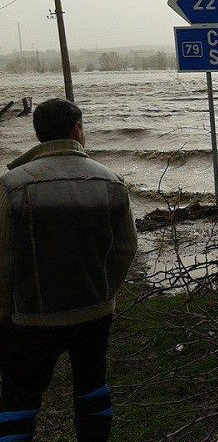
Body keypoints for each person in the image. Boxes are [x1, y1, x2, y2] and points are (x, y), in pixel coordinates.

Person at [0, 98, 138, 442]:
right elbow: (125, 249)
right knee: (92, 386)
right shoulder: (111, 181)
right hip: (94, 312)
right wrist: (104, 291)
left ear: (38, 134)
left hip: (30, 317)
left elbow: (3, 258)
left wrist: (6, 310)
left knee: (20, 396)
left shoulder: (11, 185)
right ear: (78, 130)